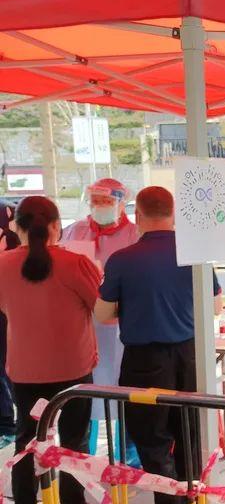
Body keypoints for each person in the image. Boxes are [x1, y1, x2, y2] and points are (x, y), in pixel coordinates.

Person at [95, 186, 222, 504]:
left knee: (152, 438)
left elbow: (102, 314)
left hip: (144, 359)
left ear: (137, 216)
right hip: (191, 355)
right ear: (174, 212)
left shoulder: (123, 259)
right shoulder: (196, 256)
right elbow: (216, 306)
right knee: (189, 431)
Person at [0, 196, 108, 504]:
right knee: (73, 439)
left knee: (26, 438)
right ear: (55, 226)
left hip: (25, 368)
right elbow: (101, 309)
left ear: (16, 226)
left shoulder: (2, 265)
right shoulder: (75, 263)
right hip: (72, 367)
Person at [62, 178, 141, 463]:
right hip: (85, 324)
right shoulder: (76, 230)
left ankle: (126, 455)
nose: (100, 206)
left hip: (121, 325)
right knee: (89, 389)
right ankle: (87, 455)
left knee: (125, 386)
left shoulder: (134, 234)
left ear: (121, 203)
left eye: (106, 202)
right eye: (95, 201)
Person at [0, 202, 19, 449]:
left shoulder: (11, 238)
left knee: (9, 371)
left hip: (9, 315)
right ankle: (6, 425)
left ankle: (17, 424)